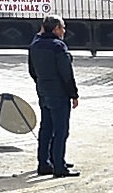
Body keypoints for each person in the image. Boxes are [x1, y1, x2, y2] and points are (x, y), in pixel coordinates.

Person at [27, 15, 79, 178]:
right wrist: (73, 94)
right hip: (59, 93)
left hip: (43, 91)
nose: (64, 31)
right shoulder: (58, 47)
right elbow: (66, 74)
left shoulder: (35, 45)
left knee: (46, 129)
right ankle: (59, 166)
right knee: (61, 130)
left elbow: (32, 70)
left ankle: (45, 162)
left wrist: (42, 83)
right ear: (56, 28)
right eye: (62, 27)